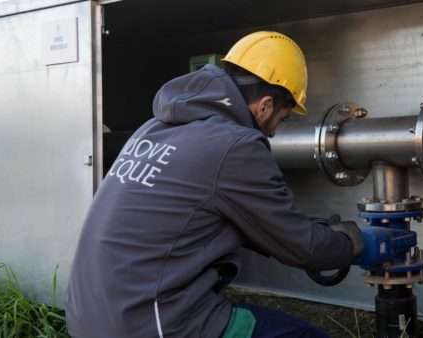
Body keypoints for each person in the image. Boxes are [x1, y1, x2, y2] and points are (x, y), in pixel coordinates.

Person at [66, 31, 363, 338]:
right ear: (265, 105)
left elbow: (245, 223)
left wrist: (317, 229)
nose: (274, 133)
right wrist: (353, 245)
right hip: (149, 325)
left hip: (90, 318)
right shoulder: (236, 145)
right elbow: (301, 246)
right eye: (282, 119)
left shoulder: (154, 128)